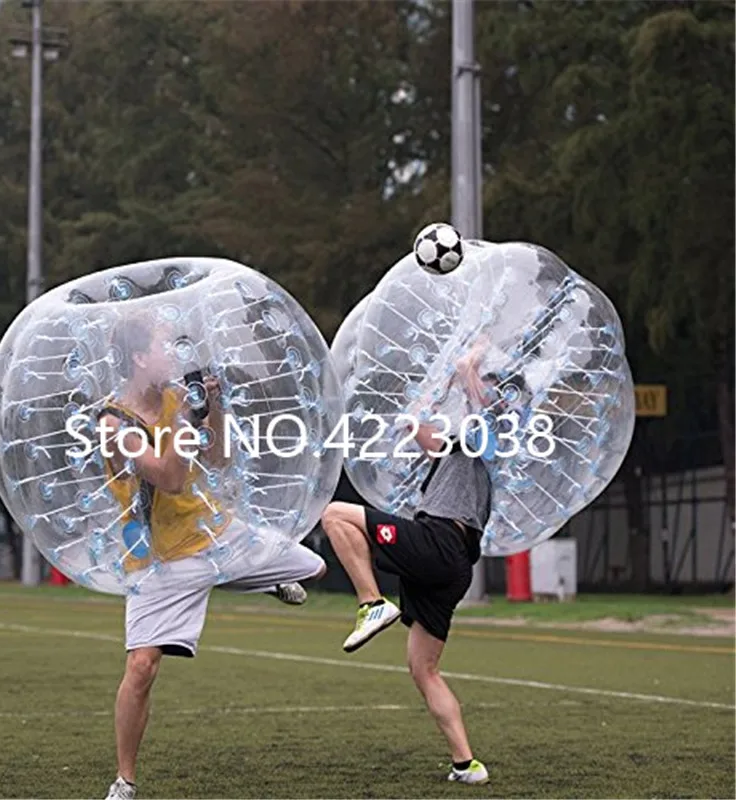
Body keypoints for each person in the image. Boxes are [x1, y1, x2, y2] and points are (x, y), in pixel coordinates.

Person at [99, 314, 326, 800]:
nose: (174, 355)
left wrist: (213, 407)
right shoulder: (115, 421)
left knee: (316, 566)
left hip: (215, 531)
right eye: (164, 346)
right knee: (142, 668)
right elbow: (169, 477)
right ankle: (125, 779)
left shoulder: (179, 398)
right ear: (141, 358)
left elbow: (218, 458)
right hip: (161, 559)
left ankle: (260, 577)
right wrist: (185, 423)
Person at [320, 343, 492, 786]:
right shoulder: (453, 464)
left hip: (438, 545)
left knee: (335, 514)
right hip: (454, 568)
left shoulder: (469, 446)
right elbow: (418, 426)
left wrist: (465, 367)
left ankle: (370, 602)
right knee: (423, 669)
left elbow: (423, 419)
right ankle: (465, 764)